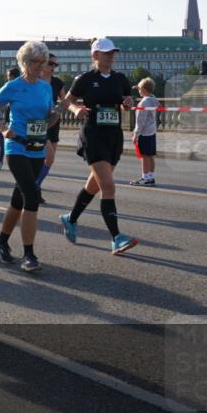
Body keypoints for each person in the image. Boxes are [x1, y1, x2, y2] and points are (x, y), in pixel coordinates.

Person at [59, 38, 139, 255]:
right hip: (93, 135)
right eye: (106, 53)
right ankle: (116, 238)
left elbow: (126, 103)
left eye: (113, 53)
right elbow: (67, 101)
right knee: (108, 186)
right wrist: (76, 109)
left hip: (113, 136)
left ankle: (70, 218)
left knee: (94, 185)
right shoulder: (85, 79)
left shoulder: (120, 79)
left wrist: (127, 104)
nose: (110, 57)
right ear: (95, 55)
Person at [0, 41, 58, 273]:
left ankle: (1, 241)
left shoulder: (45, 88)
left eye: (43, 62)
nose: (40, 66)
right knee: (31, 196)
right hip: (16, 147)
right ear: (25, 62)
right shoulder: (12, 86)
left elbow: (48, 118)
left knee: (19, 199)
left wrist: (57, 113)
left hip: (36, 147)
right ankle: (29, 254)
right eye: (36, 61)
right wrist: (3, 129)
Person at [35, 53, 65, 203]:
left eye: (55, 65)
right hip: (38, 122)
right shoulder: (35, 80)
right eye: (50, 64)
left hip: (54, 122)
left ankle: (35, 186)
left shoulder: (58, 82)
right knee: (45, 156)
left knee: (49, 161)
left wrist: (61, 108)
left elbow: (65, 101)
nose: (53, 67)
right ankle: (33, 186)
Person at [130, 77, 158, 186]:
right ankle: (151, 177)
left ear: (144, 90)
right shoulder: (153, 99)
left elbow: (140, 121)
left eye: (139, 89)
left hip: (144, 133)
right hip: (152, 131)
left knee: (144, 156)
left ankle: (145, 178)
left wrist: (135, 134)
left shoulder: (143, 103)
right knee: (150, 156)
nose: (138, 90)